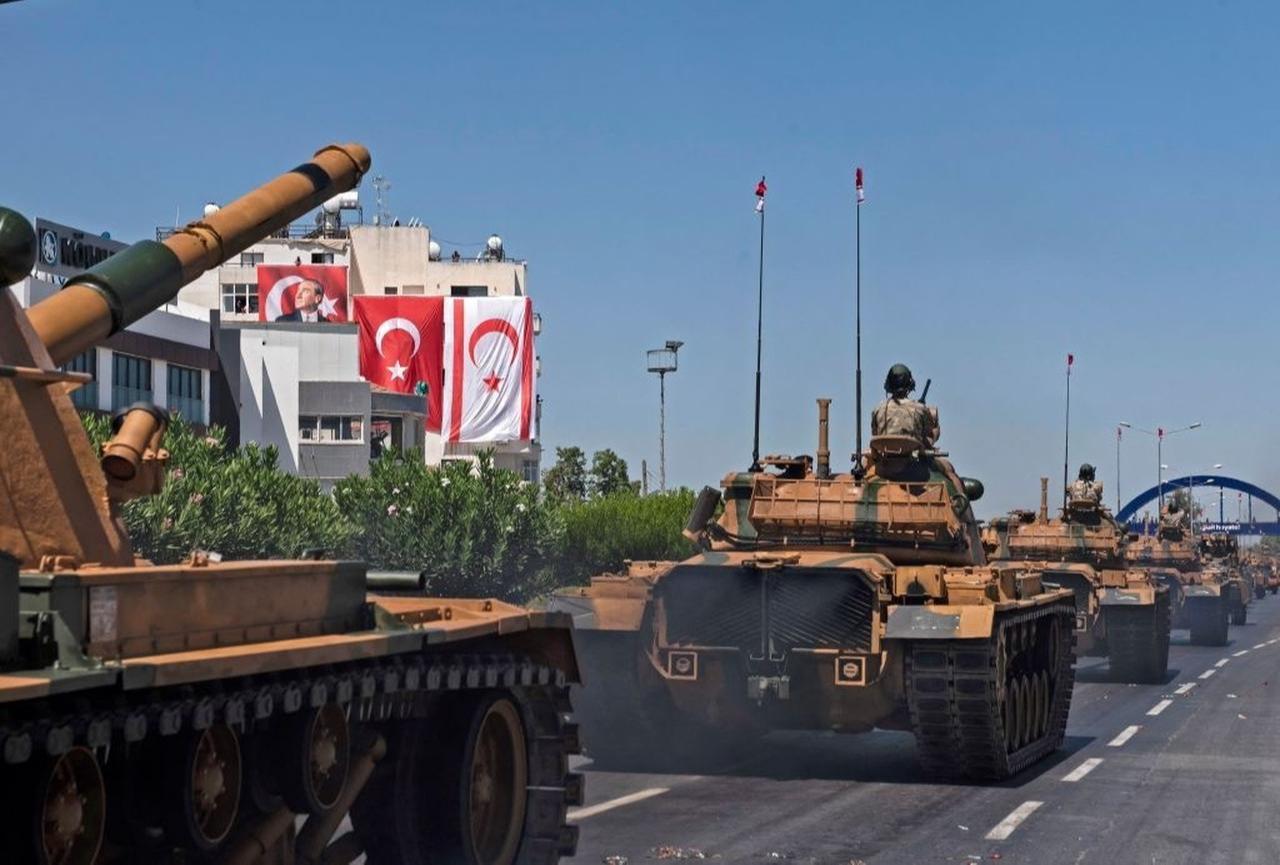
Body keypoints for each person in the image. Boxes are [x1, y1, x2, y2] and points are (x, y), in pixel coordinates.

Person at [870, 363, 939, 447]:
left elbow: (875, 434)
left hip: (884, 453)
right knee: (935, 428)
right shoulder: (920, 408)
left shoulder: (878, 409)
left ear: (888, 385)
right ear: (910, 384)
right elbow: (929, 431)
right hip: (914, 453)